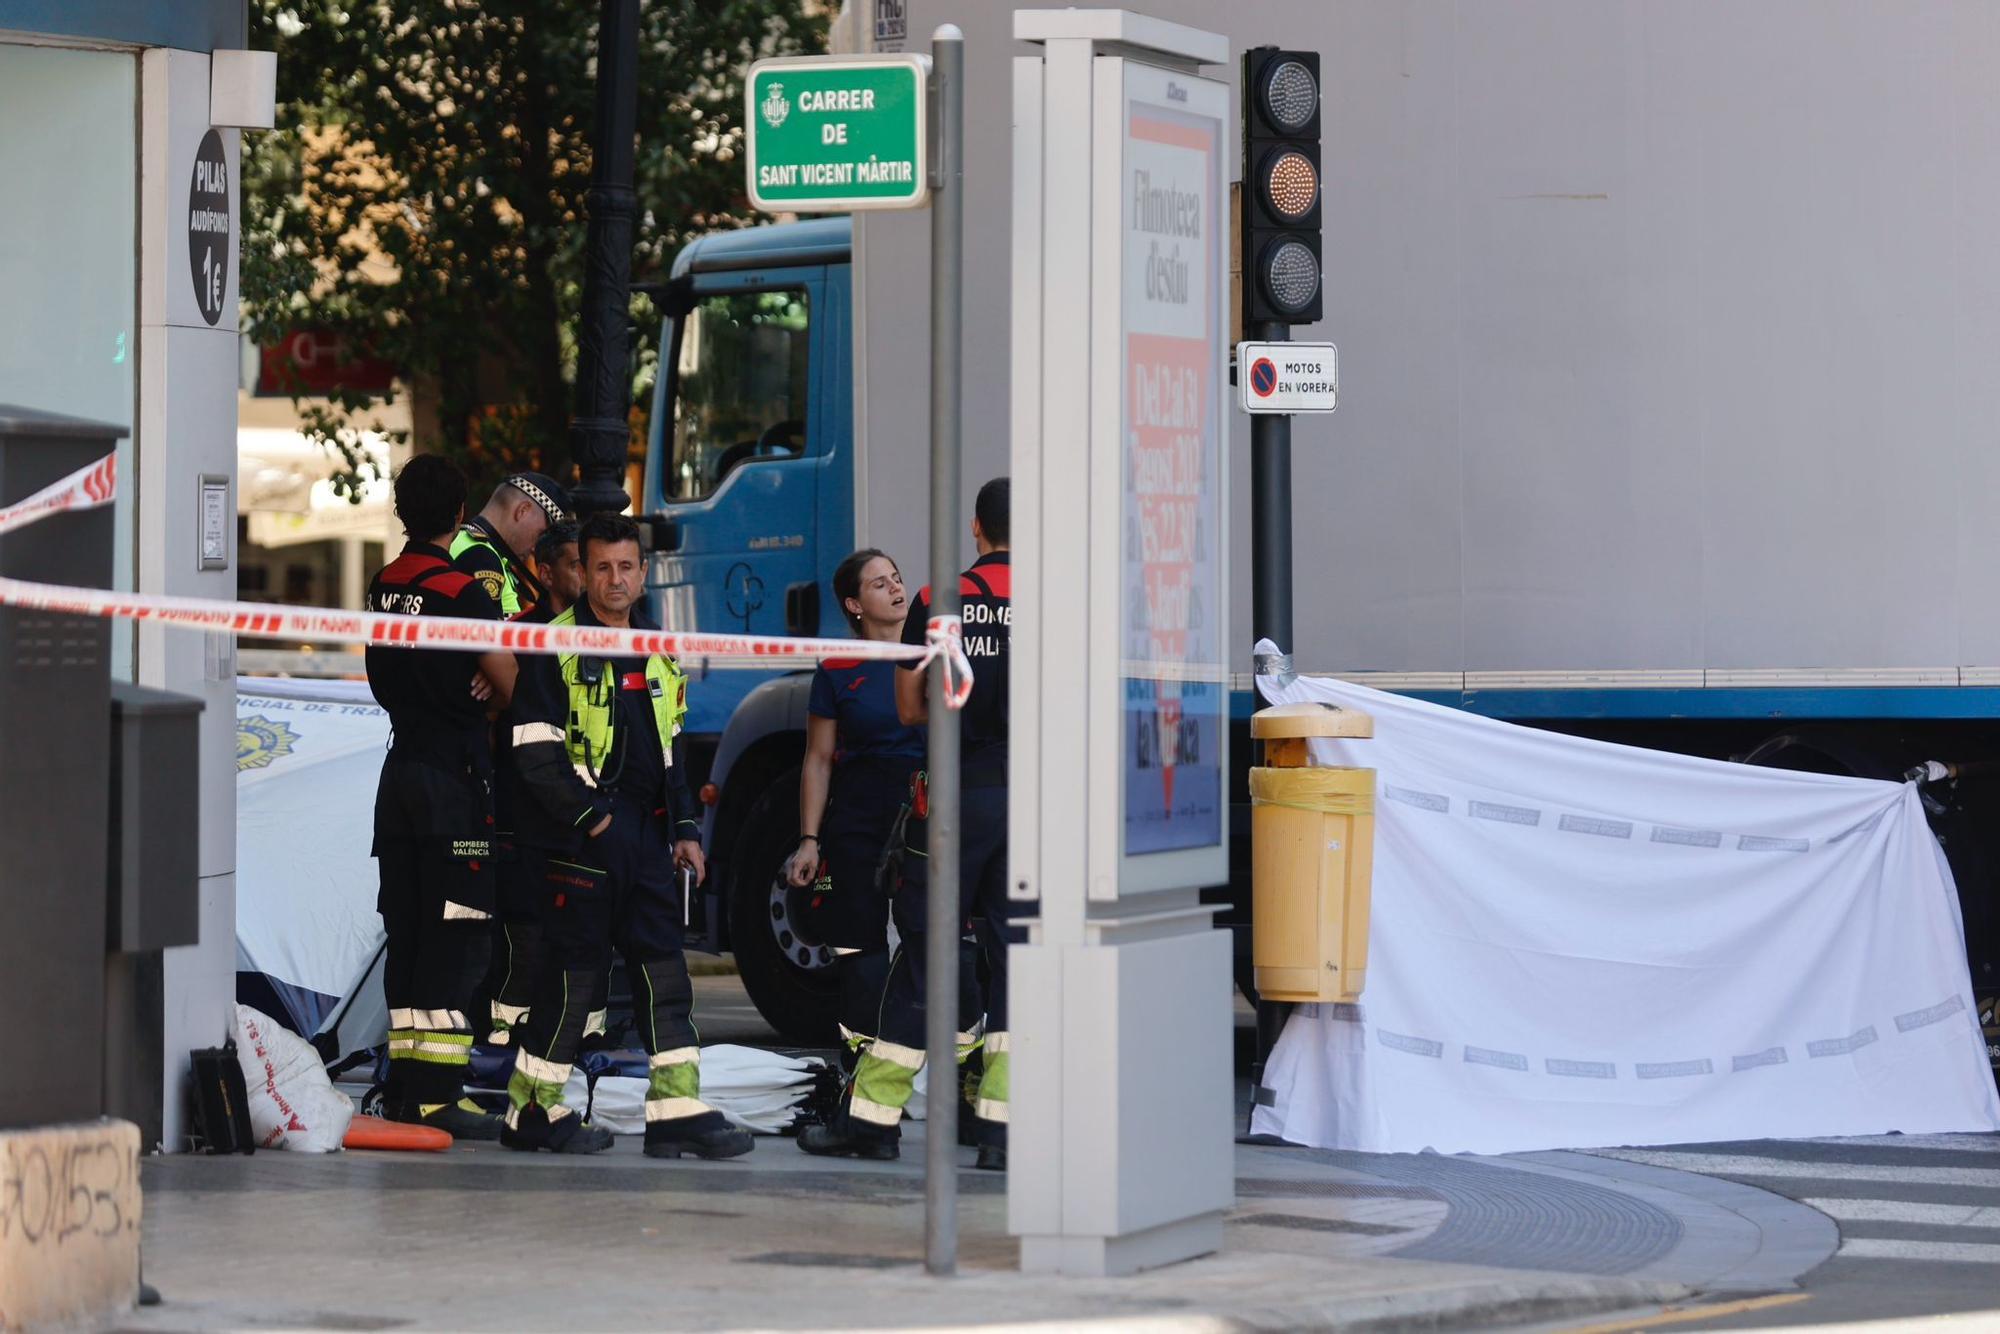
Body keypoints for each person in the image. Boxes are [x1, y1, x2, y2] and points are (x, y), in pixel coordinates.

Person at [502, 513, 752, 1159]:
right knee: (571, 981)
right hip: (580, 838)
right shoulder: (550, 642)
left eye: (626, 567)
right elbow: (532, 752)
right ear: (582, 572)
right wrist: (593, 820)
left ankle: (675, 1112)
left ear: (643, 574)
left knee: (665, 975)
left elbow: (670, 750)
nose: (615, 579)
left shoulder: (657, 646)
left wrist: (688, 831)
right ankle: (530, 1114)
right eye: (602, 567)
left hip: (647, 838)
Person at [800, 477, 1014, 1169]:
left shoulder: (938, 601)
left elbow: (914, 710)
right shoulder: (1058, 597)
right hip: (1033, 795)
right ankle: (1002, 1131)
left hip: (957, 793)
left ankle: (873, 1120)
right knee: (1017, 963)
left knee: (925, 955)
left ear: (977, 531)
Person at [364, 454, 519, 1138]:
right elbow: (510, 682)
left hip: (397, 779)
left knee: (409, 937)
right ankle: (437, 1095)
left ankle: (404, 1090)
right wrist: (480, 694)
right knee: (457, 943)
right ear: (460, 515)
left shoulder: (383, 583)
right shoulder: (463, 590)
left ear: (403, 512)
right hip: (453, 786)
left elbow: (380, 679)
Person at [782, 549, 924, 1069]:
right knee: (858, 945)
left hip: (926, 812)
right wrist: (809, 840)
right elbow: (818, 760)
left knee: (929, 942)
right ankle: (863, 1069)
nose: (894, 588)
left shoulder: (934, 655)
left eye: (897, 577)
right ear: (853, 603)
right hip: (860, 816)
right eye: (879, 583)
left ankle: (935, 1068)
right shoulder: (838, 669)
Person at [450, 472, 571, 618]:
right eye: (541, 535)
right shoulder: (483, 558)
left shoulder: (464, 541)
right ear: (523, 511)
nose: (535, 550)